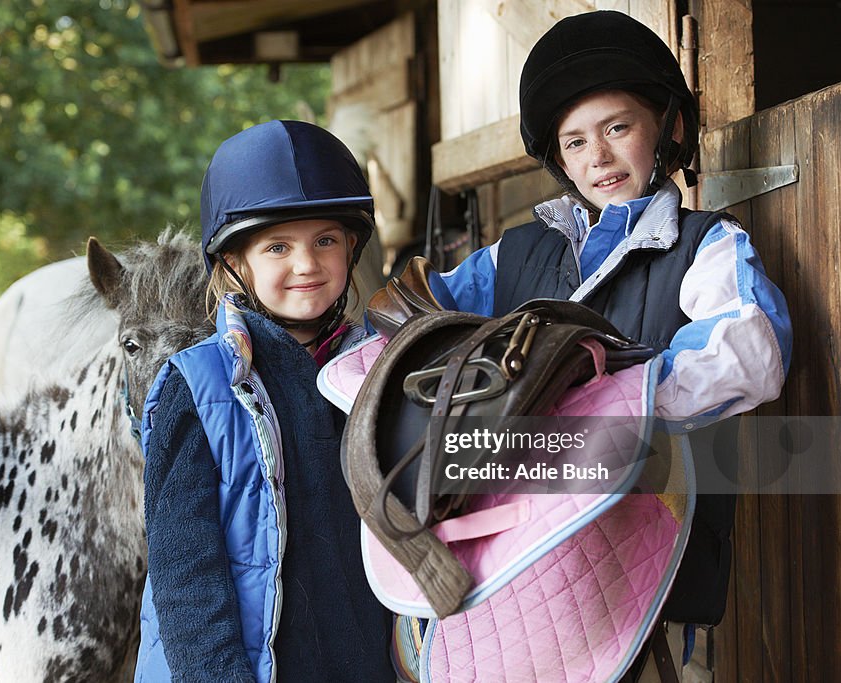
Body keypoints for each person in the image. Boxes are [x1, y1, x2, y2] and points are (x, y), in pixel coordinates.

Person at [409, 9, 792, 680]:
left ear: (666, 127)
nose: (600, 156)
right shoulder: (515, 255)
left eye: (618, 127)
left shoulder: (706, 245)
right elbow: (416, 324)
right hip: (517, 584)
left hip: (649, 590)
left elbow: (750, 351)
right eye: (576, 140)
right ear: (558, 156)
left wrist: (583, 401)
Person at [133, 120, 394, 683]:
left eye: (325, 240)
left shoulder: (380, 369)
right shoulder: (197, 386)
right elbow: (186, 575)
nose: (307, 264)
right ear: (234, 263)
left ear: (351, 246)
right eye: (278, 246)